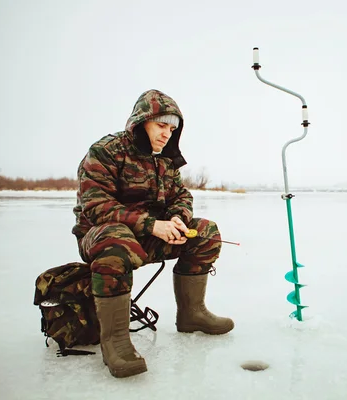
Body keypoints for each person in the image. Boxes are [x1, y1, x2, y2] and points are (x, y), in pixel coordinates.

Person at [71, 89, 234, 378]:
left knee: (206, 233)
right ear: (141, 122)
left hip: (150, 237)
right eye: (161, 126)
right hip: (102, 238)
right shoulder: (105, 152)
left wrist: (177, 220)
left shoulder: (166, 160)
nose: (167, 134)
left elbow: (182, 197)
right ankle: (115, 342)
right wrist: (152, 225)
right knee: (117, 239)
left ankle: (191, 314)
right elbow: (96, 206)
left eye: (172, 129)